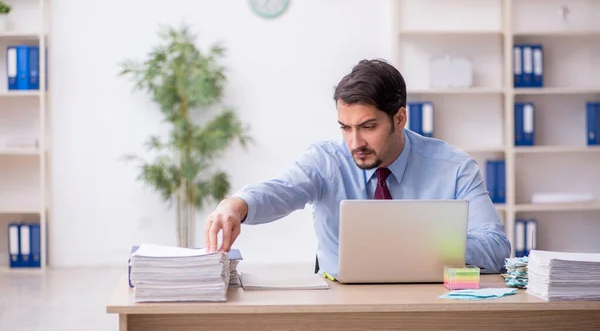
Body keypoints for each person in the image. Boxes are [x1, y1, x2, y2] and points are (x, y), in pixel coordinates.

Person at [204, 58, 511, 276]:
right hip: (340, 307)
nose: (354, 142)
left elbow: (496, 248)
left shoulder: (454, 167)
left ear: (400, 119)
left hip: (428, 304)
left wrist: (427, 243)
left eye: (367, 126)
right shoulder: (326, 160)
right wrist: (237, 205)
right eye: (345, 127)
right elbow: (281, 190)